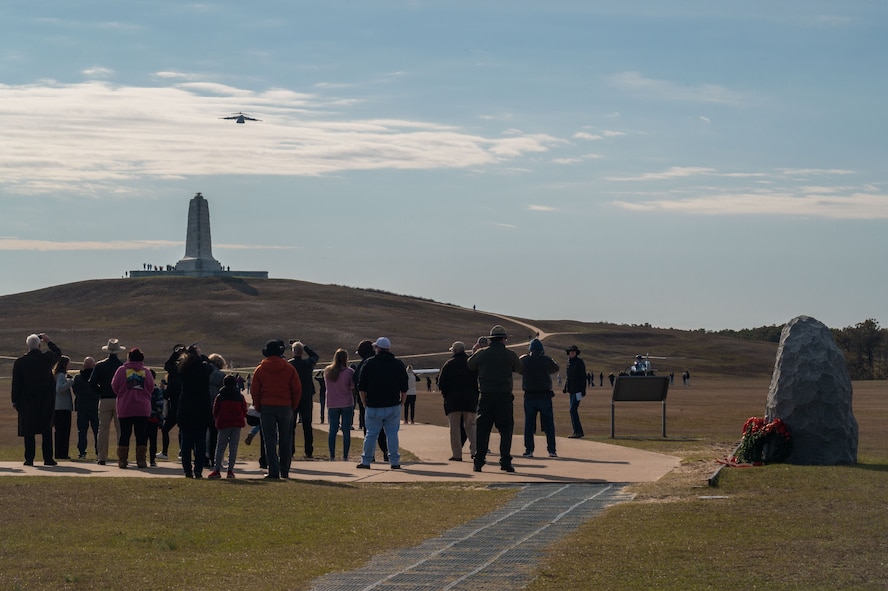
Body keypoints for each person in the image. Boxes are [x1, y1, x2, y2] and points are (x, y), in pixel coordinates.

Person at [466, 325, 523, 473]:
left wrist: (477, 352)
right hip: (503, 397)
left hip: (486, 396)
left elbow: (470, 365)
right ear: (504, 339)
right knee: (506, 430)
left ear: (491, 339)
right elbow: (519, 368)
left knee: (483, 430)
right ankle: (505, 461)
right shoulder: (510, 354)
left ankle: (478, 462)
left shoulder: (482, 354)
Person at [251, 339, 301, 479]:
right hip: (285, 407)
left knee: (269, 439)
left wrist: (258, 405)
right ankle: (284, 470)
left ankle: (273, 470)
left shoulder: (260, 369)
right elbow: (297, 390)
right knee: (286, 439)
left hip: (267, 406)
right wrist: (292, 406)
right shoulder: (289, 369)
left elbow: (255, 391)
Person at [357, 337, 408, 470]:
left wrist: (364, 402)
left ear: (378, 348)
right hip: (392, 405)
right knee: (392, 434)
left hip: (373, 405)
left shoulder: (369, 363)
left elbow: (361, 386)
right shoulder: (398, 364)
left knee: (371, 434)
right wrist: (402, 402)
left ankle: (366, 461)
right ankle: (394, 461)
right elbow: (404, 386)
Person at [11, 333, 61, 466]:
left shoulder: (20, 362)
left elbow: (16, 383)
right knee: (46, 430)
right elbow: (58, 352)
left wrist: (15, 400)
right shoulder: (47, 358)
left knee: (28, 430)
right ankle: (48, 458)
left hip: (27, 400)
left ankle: (29, 458)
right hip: (46, 400)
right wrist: (49, 341)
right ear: (39, 345)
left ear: (27, 345)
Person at [111, 348, 154, 469]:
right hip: (142, 408)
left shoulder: (122, 370)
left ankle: (123, 461)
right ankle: (141, 460)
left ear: (129, 357)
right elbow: (151, 387)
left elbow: (114, 386)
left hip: (125, 406)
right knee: (141, 435)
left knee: (124, 434)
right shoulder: (146, 371)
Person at [437, 341, 479, 461]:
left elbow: (441, 384)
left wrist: (446, 395)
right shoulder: (471, 363)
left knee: (455, 429)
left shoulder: (449, 364)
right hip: (470, 401)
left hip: (453, 402)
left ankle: (457, 454)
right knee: (471, 427)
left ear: (455, 351)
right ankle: (475, 451)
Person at [176, 345, 214, 478]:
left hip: (186, 407)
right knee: (200, 441)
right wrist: (202, 357)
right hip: (201, 407)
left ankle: (187, 470)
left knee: (186, 442)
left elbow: (171, 366)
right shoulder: (203, 367)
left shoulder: (183, 368)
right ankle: (198, 469)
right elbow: (210, 367)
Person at [520, 339, 559, 458]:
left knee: (529, 424)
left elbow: (517, 368)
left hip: (529, 395)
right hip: (544, 395)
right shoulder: (546, 360)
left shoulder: (525, 360)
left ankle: (529, 450)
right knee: (549, 424)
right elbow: (555, 368)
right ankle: (551, 450)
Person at [89, 338, 124, 465]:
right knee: (120, 429)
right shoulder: (122, 366)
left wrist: (101, 391)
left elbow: (92, 383)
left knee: (103, 429)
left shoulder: (100, 365)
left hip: (104, 399)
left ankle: (102, 457)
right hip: (119, 400)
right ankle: (122, 456)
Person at [209, 374, 247, 479]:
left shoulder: (220, 396)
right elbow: (244, 410)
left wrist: (218, 419)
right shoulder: (240, 396)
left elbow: (215, 410)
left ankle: (217, 470)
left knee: (220, 447)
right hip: (237, 424)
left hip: (223, 423)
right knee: (233, 447)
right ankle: (230, 470)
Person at [288, 341, 319, 459]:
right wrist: (305, 346)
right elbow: (315, 356)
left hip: (293, 397)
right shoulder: (307, 363)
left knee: (291, 426)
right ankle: (308, 450)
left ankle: (291, 450)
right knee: (307, 424)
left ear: (293, 352)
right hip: (306, 396)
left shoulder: (289, 365)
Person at [323, 348, 356, 461]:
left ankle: (332, 455)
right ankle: (345, 455)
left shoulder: (327, 371)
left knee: (333, 429)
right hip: (346, 402)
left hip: (332, 403)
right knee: (346, 430)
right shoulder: (349, 372)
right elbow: (352, 387)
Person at [158, 344, 185, 460]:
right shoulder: (185, 375)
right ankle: (181, 451)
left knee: (166, 429)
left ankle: (165, 452)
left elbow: (167, 364)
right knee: (182, 430)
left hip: (175, 407)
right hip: (184, 406)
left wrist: (161, 392)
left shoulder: (174, 378)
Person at [72, 356, 99, 459]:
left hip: (82, 406)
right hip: (95, 406)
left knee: (82, 431)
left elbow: (75, 391)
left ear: (84, 366)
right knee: (97, 430)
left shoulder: (78, 378)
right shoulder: (96, 377)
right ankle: (98, 451)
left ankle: (82, 451)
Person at [53, 355, 75, 460]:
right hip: (63, 407)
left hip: (57, 407)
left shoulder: (56, 375)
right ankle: (63, 453)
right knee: (64, 431)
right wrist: (70, 382)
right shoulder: (61, 375)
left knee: (59, 431)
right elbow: (59, 389)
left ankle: (58, 452)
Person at [564, 345, 587, 438]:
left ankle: (578, 431)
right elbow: (568, 377)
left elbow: (583, 377)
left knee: (572, 409)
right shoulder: (569, 362)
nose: (572, 353)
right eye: (570, 351)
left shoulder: (579, 362)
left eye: (573, 351)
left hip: (578, 390)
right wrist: (566, 387)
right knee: (572, 410)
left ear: (576, 352)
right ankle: (577, 431)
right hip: (572, 390)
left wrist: (583, 389)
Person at [147, 369, 164, 467]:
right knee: (153, 440)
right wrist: (161, 420)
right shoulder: (157, 390)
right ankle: (152, 459)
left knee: (142, 439)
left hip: (143, 418)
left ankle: (141, 457)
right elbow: (160, 406)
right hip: (153, 418)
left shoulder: (142, 389)